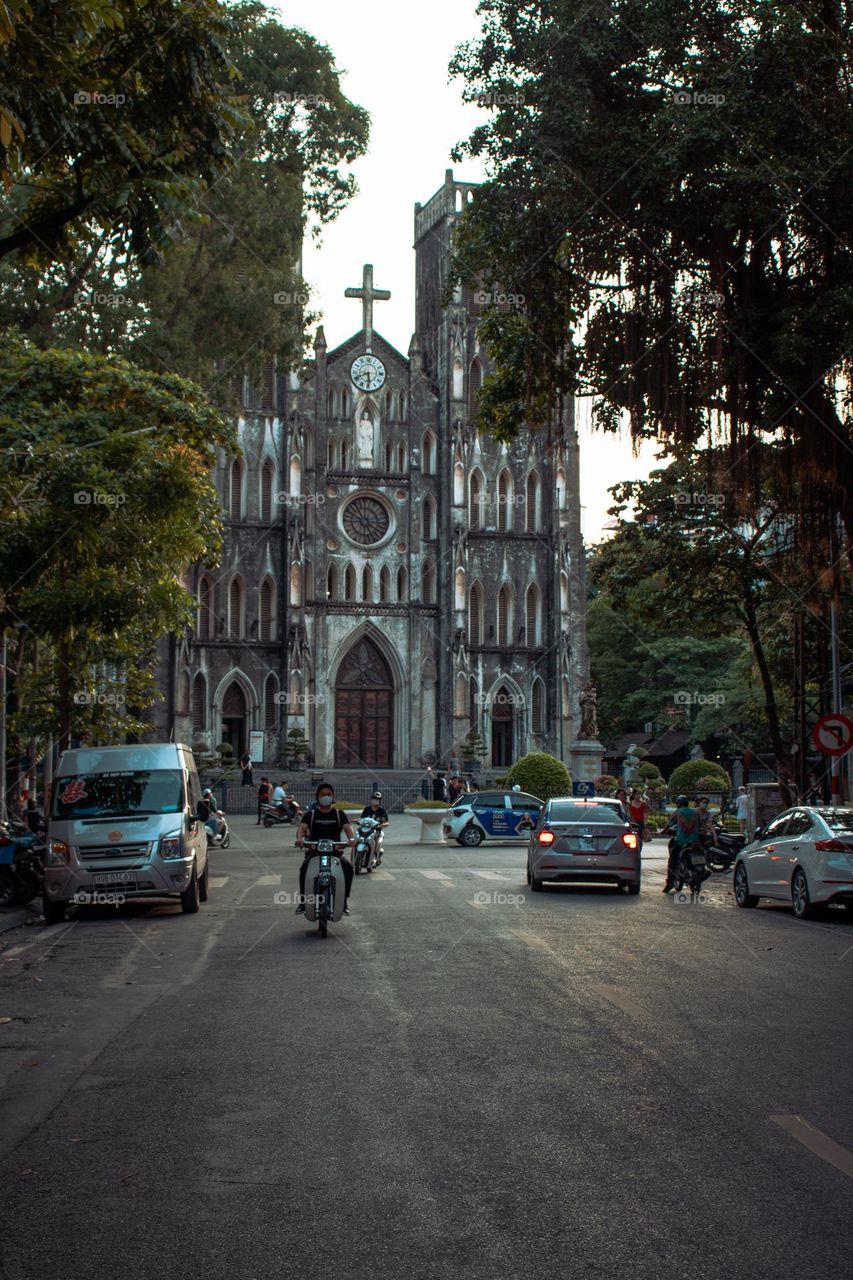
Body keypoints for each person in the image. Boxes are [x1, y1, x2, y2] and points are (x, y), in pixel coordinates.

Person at [295, 784, 355, 915]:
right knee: (304, 868)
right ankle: (303, 902)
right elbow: (301, 828)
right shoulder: (311, 814)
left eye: (328, 794)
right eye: (322, 794)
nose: (325, 797)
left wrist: (351, 839)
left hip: (335, 853)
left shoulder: (339, 814)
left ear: (333, 797)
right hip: (314, 852)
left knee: (348, 869)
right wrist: (300, 839)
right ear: (317, 797)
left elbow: (348, 829)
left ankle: (343, 901)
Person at [663, 794, 701, 892]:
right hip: (695, 841)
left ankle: (670, 882)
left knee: (672, 861)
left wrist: (662, 831)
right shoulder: (694, 812)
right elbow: (699, 825)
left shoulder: (677, 812)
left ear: (678, 804)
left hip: (681, 842)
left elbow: (669, 824)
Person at [359, 791, 390, 865]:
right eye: (374, 798)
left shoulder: (382, 811)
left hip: (377, 831)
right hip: (366, 830)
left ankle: (376, 856)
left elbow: (387, 822)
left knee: (375, 843)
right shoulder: (367, 809)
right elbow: (361, 818)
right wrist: (358, 821)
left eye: (377, 799)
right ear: (371, 799)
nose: (375, 800)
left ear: (379, 801)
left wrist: (383, 824)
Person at [627, 788, 649, 853]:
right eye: (637, 794)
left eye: (640, 794)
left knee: (640, 840)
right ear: (633, 795)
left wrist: (645, 822)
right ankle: (633, 852)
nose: (639, 795)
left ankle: (639, 852)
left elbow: (646, 813)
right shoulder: (630, 804)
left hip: (641, 823)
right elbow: (629, 815)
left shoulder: (643, 803)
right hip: (633, 824)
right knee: (633, 839)